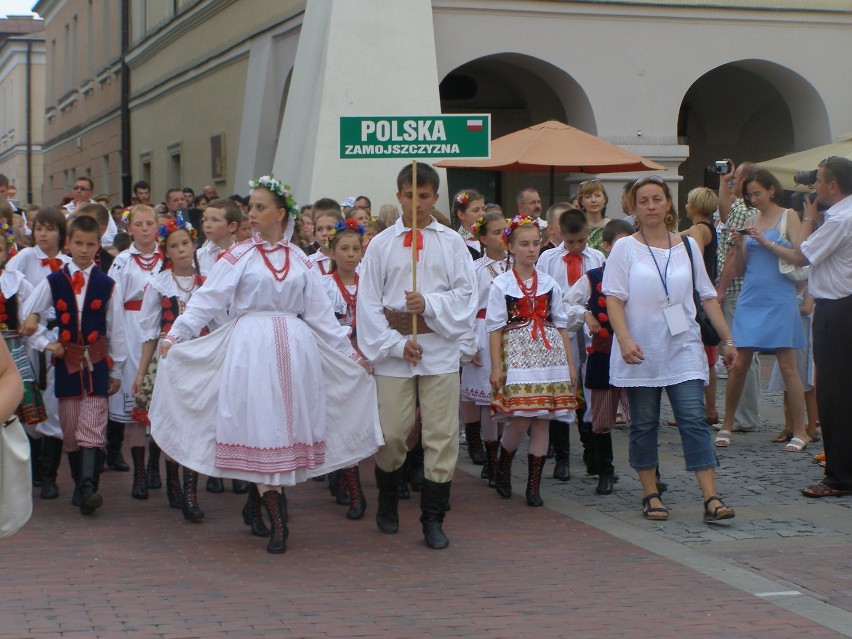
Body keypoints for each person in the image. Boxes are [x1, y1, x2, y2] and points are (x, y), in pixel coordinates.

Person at [151, 175, 383, 554]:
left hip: (295, 349)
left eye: (260, 208)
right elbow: (207, 299)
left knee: (282, 430)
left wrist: (352, 356)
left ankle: (257, 504)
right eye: (251, 208)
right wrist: (177, 334)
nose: (252, 214)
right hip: (251, 349)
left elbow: (323, 317)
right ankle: (277, 520)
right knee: (261, 426)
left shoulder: (300, 260)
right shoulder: (239, 256)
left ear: (280, 213)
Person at [603, 176, 737, 522]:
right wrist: (624, 338)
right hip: (642, 349)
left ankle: (711, 496)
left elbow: (707, 296)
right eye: (643, 200)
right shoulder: (625, 248)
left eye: (656, 199)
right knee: (645, 423)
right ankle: (650, 493)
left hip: (683, 346)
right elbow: (614, 299)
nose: (650, 206)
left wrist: (727, 340)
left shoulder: (688, 246)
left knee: (693, 419)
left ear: (668, 205)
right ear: (634, 206)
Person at [357, 163, 477, 550]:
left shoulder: (452, 243)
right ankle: (388, 497)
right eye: (409, 195)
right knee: (392, 432)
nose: (416, 204)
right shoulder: (380, 245)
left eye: (424, 196)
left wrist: (428, 303)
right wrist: (393, 344)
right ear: (398, 196)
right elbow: (368, 302)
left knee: (440, 435)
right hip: (394, 349)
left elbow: (465, 295)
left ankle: (433, 516)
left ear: (435, 197)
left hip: (438, 348)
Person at [22, 215, 127, 515]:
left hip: (96, 362)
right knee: (70, 429)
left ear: (98, 246)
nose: (83, 249)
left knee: (92, 426)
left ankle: (88, 489)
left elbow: (116, 328)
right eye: (78, 243)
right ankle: (83, 485)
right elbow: (30, 316)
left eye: (90, 244)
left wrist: (117, 368)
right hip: (66, 363)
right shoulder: (54, 280)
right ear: (68, 243)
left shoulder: (108, 284)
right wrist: (46, 343)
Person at [487, 215, 576, 507]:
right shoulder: (501, 284)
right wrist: (497, 370)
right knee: (521, 420)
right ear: (510, 247)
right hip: (518, 356)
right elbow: (495, 328)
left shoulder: (549, 283)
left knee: (542, 422)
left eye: (535, 243)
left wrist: (571, 366)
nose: (531, 249)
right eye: (524, 244)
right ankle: (503, 465)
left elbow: (560, 324)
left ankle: (533, 486)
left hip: (550, 357)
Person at [716, 169, 807, 451]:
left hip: (779, 296)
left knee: (788, 366)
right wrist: (741, 244)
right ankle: (727, 423)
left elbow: (798, 255)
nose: (753, 199)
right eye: (749, 195)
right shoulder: (751, 219)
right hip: (751, 296)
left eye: (757, 193)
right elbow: (743, 268)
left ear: (771, 190)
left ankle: (801, 431)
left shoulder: (789, 216)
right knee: (739, 363)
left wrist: (766, 242)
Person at [777, 157, 852, 498]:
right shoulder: (842, 215)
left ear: (833, 186)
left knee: (834, 393)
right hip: (839, 307)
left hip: (838, 310)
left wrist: (808, 217)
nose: (813, 187)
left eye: (818, 181)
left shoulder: (840, 219)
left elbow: (801, 255)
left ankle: (839, 476)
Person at [132, 217, 207, 520]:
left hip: (200, 358)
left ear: (194, 244)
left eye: (185, 243)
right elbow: (150, 334)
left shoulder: (208, 283)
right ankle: (174, 482)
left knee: (197, 424)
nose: (181, 250)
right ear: (166, 250)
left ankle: (191, 491)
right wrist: (140, 373)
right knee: (174, 421)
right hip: (169, 359)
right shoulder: (159, 283)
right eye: (174, 246)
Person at [565, 219, 634, 495]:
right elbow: (566, 304)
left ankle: (652, 473)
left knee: (642, 417)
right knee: (602, 418)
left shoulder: (641, 276)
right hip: (603, 355)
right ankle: (605, 471)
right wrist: (585, 314)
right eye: (619, 245)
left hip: (635, 357)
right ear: (606, 247)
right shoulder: (593, 278)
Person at [537, 208, 605, 481]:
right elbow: (546, 296)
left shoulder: (597, 257)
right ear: (560, 235)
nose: (577, 247)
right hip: (560, 332)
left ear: (587, 233)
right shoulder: (548, 259)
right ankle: (562, 456)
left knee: (591, 390)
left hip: (591, 332)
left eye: (581, 241)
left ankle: (592, 453)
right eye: (571, 241)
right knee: (563, 389)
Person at [7, 207, 70, 497]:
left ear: (61, 232)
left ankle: (49, 476)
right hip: (30, 339)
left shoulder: (68, 263)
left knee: (54, 403)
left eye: (49, 229)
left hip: (59, 338)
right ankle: (31, 470)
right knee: (29, 401)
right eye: (39, 228)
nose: (43, 234)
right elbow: (12, 291)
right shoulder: (24, 258)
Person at [107, 205, 163, 499]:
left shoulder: (165, 258)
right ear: (130, 229)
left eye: (149, 223)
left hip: (158, 329)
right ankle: (139, 471)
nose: (144, 229)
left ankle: (155, 466)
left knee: (159, 401)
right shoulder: (123, 262)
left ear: (157, 227)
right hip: (130, 329)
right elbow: (113, 300)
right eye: (138, 224)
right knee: (136, 401)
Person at [320, 219, 369, 520]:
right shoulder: (323, 286)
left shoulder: (369, 284)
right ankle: (354, 489)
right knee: (340, 422)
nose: (351, 254)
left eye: (356, 249)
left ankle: (343, 476)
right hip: (336, 360)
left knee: (359, 423)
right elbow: (325, 327)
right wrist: (349, 353)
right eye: (344, 249)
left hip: (367, 359)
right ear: (332, 252)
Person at [460, 211, 507, 487]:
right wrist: (470, 344)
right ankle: (490, 457)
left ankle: (502, 453)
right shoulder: (477, 270)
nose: (503, 237)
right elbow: (468, 309)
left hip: (511, 336)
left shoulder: (517, 267)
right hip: (483, 332)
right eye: (496, 232)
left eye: (505, 230)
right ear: (482, 238)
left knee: (506, 401)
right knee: (489, 400)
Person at [715, 161, 761, 433]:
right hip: (738, 290)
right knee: (742, 354)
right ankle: (744, 415)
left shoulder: (744, 210)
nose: (733, 181)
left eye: (737, 178)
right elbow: (724, 209)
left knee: (741, 354)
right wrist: (724, 181)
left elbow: (733, 254)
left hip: (735, 291)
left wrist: (720, 290)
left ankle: (744, 417)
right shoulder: (740, 209)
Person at [682, 187, 720, 426]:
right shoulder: (709, 228)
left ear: (695, 206)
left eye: (687, 201)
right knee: (708, 357)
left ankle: (702, 409)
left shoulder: (698, 230)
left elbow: (693, 259)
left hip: (695, 298)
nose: (685, 205)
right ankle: (708, 408)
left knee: (696, 353)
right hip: (705, 295)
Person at [64, 177, 119, 248]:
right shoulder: (65, 209)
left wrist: (91, 236)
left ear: (91, 193)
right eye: (76, 188)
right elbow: (61, 230)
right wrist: (75, 213)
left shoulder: (100, 209)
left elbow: (112, 234)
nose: (78, 191)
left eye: (82, 189)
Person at [196, 198, 240, 275]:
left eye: (215, 220)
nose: (207, 225)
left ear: (232, 226)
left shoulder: (241, 257)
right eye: (205, 219)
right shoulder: (197, 256)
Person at [577, 179, 611, 251]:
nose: (593, 200)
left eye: (597, 195)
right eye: (588, 196)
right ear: (582, 201)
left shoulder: (611, 226)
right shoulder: (576, 227)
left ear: (604, 199)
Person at [452, 189, 486, 261]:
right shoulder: (456, 243)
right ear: (461, 214)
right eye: (476, 210)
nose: (482, 213)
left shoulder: (488, 238)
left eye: (483, 209)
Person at [309, 206, 344, 275]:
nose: (324, 233)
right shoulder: (308, 263)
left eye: (329, 228)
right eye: (319, 229)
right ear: (315, 234)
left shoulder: (351, 261)